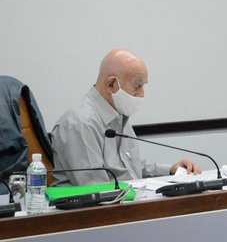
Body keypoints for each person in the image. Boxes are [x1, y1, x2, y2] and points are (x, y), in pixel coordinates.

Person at [51, 49, 201, 186]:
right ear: (111, 84)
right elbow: (97, 190)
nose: (142, 94)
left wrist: (171, 170)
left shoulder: (118, 114)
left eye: (143, 85)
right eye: (137, 86)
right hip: (93, 213)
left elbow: (130, 170)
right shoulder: (81, 124)